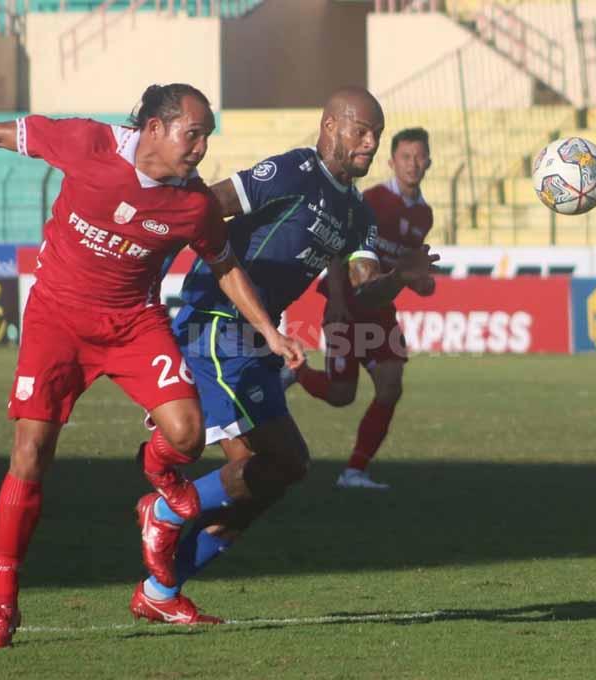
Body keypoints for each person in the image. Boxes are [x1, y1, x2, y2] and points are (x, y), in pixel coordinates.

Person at [0, 83, 303, 647]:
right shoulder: (87, 143)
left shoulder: (194, 205)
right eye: (193, 134)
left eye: (207, 136)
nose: (201, 147)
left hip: (132, 325)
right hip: (57, 321)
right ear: (156, 128)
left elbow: (226, 264)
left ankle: (159, 479)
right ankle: (3, 605)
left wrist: (269, 331)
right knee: (29, 454)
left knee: (188, 435)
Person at [129, 87, 439, 623]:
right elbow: (211, 205)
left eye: (377, 135)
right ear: (329, 126)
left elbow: (364, 289)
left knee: (270, 480)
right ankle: (164, 509)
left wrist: (402, 278)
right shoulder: (297, 171)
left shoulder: (357, 211)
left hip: (257, 339)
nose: (370, 143)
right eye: (361, 131)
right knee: (276, 464)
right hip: (218, 324)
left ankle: (161, 589)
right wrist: (148, 264)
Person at [285, 127, 436, 490]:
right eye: (405, 157)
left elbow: (401, 267)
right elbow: (338, 248)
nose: (412, 164)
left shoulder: (424, 214)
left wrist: (419, 279)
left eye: (419, 157)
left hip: (381, 310)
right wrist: (337, 299)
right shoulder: (372, 201)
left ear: (429, 161)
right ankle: (295, 371)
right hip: (349, 305)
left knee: (390, 387)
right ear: (391, 162)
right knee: (342, 395)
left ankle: (354, 471)